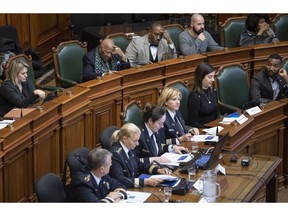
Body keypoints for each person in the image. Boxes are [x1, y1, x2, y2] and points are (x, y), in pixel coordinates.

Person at [109, 122, 171, 188]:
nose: (137, 144)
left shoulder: (129, 147)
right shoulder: (115, 154)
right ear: (124, 139)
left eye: (138, 140)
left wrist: (157, 170)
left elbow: (138, 164)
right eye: (134, 140)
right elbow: (120, 179)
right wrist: (146, 182)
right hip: (124, 189)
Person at [187, 62, 219, 128]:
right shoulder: (194, 97)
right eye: (210, 77)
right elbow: (193, 122)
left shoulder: (213, 91)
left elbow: (216, 114)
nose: (213, 80)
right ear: (201, 77)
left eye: (213, 76)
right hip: (203, 131)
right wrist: (206, 130)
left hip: (215, 127)